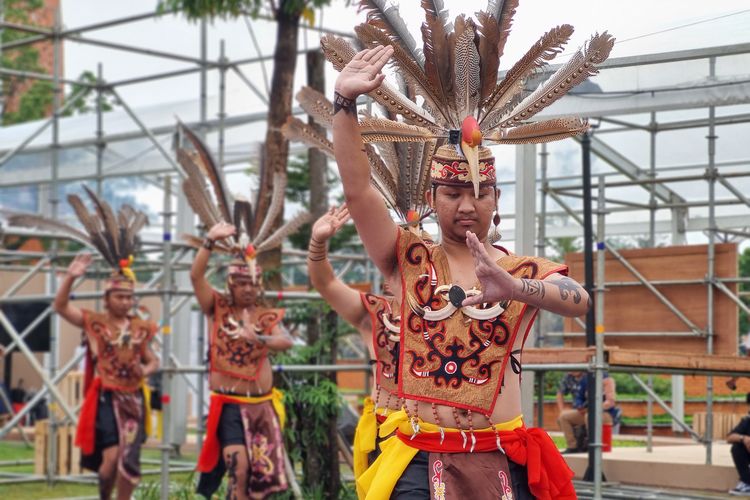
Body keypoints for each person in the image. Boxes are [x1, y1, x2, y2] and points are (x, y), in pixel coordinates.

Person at [323, 2, 613, 496]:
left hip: (498, 461)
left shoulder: (524, 268)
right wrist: (345, 106)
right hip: (420, 461)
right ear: (433, 199)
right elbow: (358, 192)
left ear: (496, 199)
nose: (467, 205)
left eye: (479, 193)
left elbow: (580, 299)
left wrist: (515, 286)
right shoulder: (407, 258)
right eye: (453, 194)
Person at [176, 124, 304, 500]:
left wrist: (259, 337)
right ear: (232, 283)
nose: (248, 288)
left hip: (261, 408)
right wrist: (208, 242)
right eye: (242, 283)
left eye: (253, 283)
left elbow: (285, 341)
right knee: (239, 471)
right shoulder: (217, 306)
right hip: (230, 406)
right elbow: (195, 274)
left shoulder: (266, 315)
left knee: (259, 486)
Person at [47, 189, 157, 500]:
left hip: (134, 399)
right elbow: (60, 306)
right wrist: (70, 277)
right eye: (119, 296)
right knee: (109, 464)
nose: (125, 301)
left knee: (128, 463)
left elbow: (152, 360)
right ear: (107, 298)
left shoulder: (140, 327)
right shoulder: (95, 323)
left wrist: (145, 370)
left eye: (129, 297)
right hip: (107, 398)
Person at [308, 205, 403, 480]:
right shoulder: (373, 313)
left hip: (438, 436)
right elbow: (325, 283)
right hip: (386, 431)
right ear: (387, 280)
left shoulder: (450, 311)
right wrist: (318, 241)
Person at [557, 372, 617, 453]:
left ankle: (592, 445)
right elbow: (579, 398)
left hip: (606, 414)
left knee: (589, 416)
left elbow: (610, 402)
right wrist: (579, 406)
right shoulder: (586, 380)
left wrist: (593, 408)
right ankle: (573, 447)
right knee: (564, 416)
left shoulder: (608, 380)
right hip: (587, 412)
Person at [728, 393, 750, 495]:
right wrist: (743, 438)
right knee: (737, 448)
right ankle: (747, 482)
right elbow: (730, 437)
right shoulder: (747, 420)